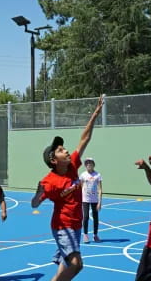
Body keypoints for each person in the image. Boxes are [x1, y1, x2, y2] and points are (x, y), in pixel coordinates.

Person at [31, 95, 104, 281]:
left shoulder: (72, 167)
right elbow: (35, 203)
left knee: (65, 267)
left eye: (64, 148)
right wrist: (39, 194)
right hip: (63, 226)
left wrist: (95, 114)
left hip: (75, 224)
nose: (66, 150)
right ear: (54, 160)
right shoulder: (49, 181)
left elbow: (84, 139)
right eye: (61, 150)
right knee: (76, 265)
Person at [79, 157, 103, 243]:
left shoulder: (97, 175)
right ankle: (85, 235)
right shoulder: (83, 175)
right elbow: (80, 187)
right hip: (85, 199)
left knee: (96, 218)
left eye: (90, 163)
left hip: (94, 200)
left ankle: (95, 235)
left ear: (93, 164)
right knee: (85, 217)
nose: (89, 164)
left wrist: (99, 202)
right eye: (87, 163)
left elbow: (100, 189)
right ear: (85, 165)